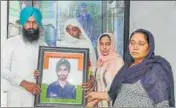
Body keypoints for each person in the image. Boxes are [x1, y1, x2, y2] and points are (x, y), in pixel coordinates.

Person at [86, 29, 175, 107]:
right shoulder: (127, 67)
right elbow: (115, 93)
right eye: (132, 43)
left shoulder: (154, 69)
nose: (135, 47)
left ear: (149, 47)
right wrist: (93, 95)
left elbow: (163, 104)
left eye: (141, 44)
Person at [1, 6, 47, 107]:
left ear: (38, 24)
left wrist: (41, 73)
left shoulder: (44, 46)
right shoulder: (11, 43)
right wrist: (24, 83)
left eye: (34, 22)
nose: (31, 26)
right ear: (22, 23)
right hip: (17, 98)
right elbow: (3, 69)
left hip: (39, 98)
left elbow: (48, 71)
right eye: (27, 22)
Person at [84, 33, 124, 107]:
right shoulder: (99, 60)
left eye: (108, 44)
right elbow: (98, 80)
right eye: (101, 44)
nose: (104, 47)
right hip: (96, 103)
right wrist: (91, 82)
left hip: (109, 103)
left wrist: (95, 100)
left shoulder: (117, 61)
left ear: (112, 45)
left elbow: (114, 88)